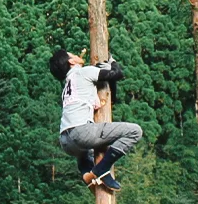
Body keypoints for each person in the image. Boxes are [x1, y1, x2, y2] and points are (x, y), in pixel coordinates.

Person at [50, 49, 142, 191]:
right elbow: (118, 74)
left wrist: (109, 76)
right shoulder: (83, 72)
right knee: (135, 131)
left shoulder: (68, 87)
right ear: (71, 61)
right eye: (73, 54)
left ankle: (87, 171)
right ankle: (102, 170)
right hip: (81, 133)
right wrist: (113, 64)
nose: (76, 55)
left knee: (88, 151)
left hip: (65, 141)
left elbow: (107, 100)